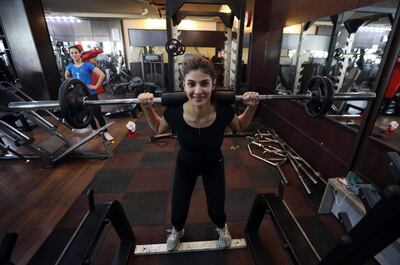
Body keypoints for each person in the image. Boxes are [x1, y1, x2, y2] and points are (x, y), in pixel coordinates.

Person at [138, 55, 259, 251]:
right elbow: (159, 128)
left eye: (204, 84)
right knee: (178, 205)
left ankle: (221, 226)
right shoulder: (175, 110)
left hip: (213, 162)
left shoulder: (223, 109)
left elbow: (241, 126)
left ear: (214, 84)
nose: (198, 91)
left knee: (216, 207)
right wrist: (147, 108)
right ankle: (177, 229)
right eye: (191, 84)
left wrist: (252, 107)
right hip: (186, 163)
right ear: (184, 85)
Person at [65, 45, 114, 141]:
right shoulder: (70, 66)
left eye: (76, 52)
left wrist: (95, 86)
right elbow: (67, 76)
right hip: (79, 95)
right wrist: (72, 85)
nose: (74, 55)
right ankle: (95, 131)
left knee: (97, 114)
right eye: (71, 53)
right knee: (88, 115)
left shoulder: (87, 65)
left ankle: (105, 132)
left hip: (91, 93)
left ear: (80, 53)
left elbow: (102, 75)